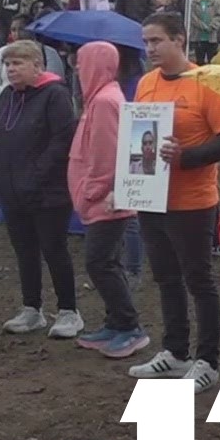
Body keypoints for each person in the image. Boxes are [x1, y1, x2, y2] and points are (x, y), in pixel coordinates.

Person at [129, 12, 220, 393]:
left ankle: (208, 360)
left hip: (191, 201)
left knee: (199, 280)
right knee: (165, 277)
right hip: (150, 196)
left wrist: (188, 157)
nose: (150, 49)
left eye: (157, 41)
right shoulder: (145, 83)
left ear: (180, 40)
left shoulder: (204, 84)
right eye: (146, 42)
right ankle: (175, 351)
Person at [0, 41, 81, 337]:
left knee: (54, 249)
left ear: (38, 66)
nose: (11, 69)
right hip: (12, 189)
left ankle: (69, 311)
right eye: (8, 64)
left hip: (48, 191)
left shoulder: (55, 95)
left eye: (18, 63)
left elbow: (62, 139)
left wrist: (37, 173)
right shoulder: (7, 98)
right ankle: (31, 308)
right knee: (24, 250)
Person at [68, 42, 150, 360]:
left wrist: (94, 190)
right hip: (105, 197)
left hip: (107, 200)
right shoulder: (103, 98)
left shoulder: (103, 102)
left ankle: (130, 327)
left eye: (80, 62)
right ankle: (114, 323)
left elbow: (107, 153)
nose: (76, 69)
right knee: (107, 261)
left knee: (99, 262)